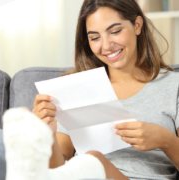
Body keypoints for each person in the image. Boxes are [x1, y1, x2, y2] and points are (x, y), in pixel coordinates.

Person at [18, 0, 179, 179]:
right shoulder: (74, 90)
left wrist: (166, 140)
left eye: (115, 31)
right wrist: (46, 134)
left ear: (137, 25)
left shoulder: (174, 86)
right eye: (95, 38)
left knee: (93, 159)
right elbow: (57, 169)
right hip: (82, 175)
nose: (106, 45)